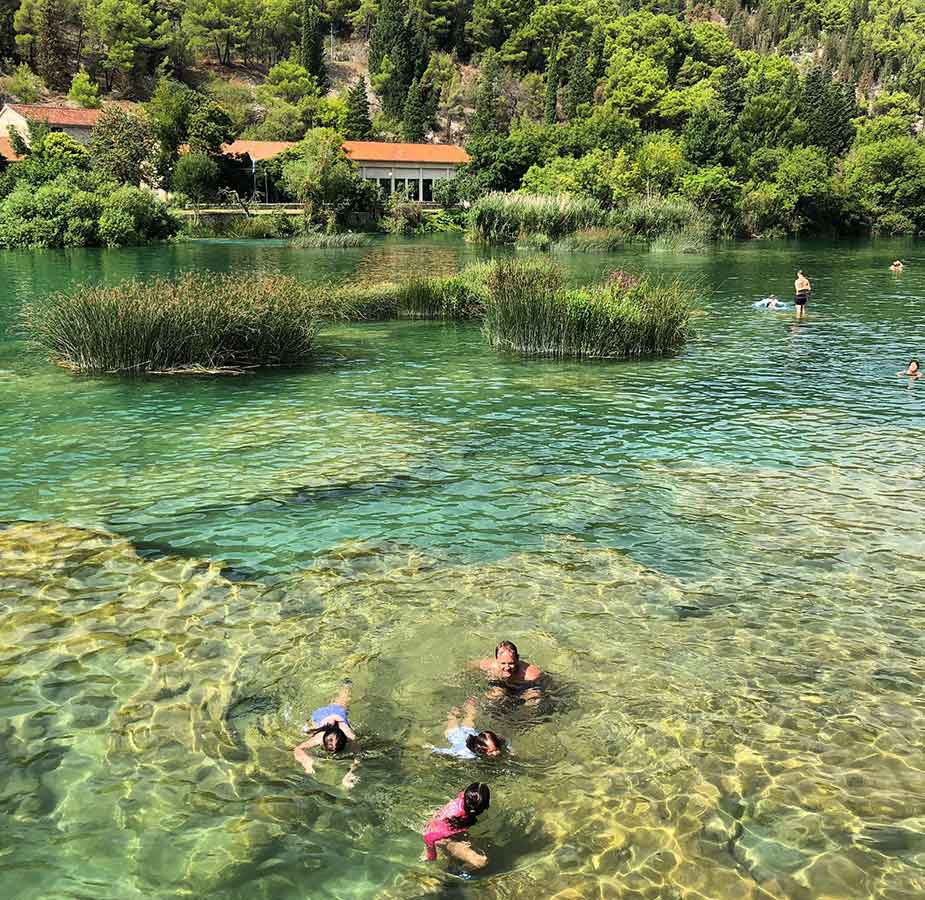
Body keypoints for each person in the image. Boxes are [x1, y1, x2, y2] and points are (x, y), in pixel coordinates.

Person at [293, 679, 360, 789]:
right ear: (324, 739)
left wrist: (350, 772)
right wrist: (307, 763)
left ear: (344, 741)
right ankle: (346, 685)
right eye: (330, 746)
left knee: (342, 703)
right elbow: (297, 749)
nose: (332, 750)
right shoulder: (320, 737)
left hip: (338, 714)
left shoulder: (350, 737)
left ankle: (347, 686)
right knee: (307, 730)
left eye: (335, 747)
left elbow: (358, 756)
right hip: (321, 716)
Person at [422, 782, 491, 869]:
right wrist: (431, 856)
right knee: (481, 861)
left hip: (449, 830)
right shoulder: (455, 817)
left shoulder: (464, 799)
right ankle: (458, 870)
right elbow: (428, 837)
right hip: (442, 839)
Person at [431, 697, 508, 760]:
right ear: (480, 750)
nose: (495, 753)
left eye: (496, 749)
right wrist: (431, 749)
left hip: (470, 732)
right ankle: (454, 704)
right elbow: (448, 752)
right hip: (456, 735)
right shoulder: (466, 753)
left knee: (470, 717)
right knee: (452, 718)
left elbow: (506, 742)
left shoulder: (500, 743)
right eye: (491, 751)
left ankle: (471, 699)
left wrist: (511, 752)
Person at [474, 640, 543, 703]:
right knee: (495, 696)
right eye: (503, 663)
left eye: (511, 663)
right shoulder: (489, 665)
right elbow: (469, 666)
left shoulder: (531, 674)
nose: (507, 668)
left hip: (523, 686)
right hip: (500, 684)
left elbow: (540, 685)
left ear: (517, 659)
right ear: (497, 660)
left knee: (534, 699)